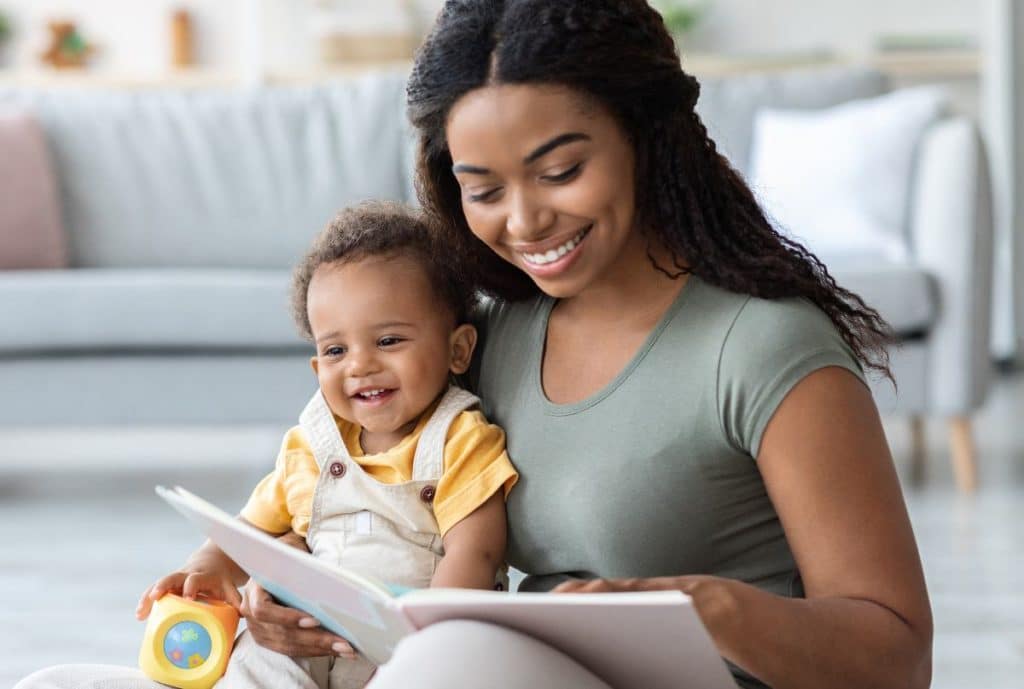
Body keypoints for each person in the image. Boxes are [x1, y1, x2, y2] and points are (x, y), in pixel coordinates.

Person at [16, 2, 932, 688]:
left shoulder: (766, 348)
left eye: (562, 170)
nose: (525, 220)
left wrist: (707, 606)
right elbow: (363, 512)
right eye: (482, 187)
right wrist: (295, 610)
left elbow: (896, 652)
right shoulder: (482, 334)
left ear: (649, 139)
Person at [18, 203, 518, 689]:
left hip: (405, 653)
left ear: (458, 350)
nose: (359, 365)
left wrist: (419, 653)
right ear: (317, 369)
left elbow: (474, 554)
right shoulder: (311, 447)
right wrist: (204, 570)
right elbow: (248, 534)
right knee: (257, 658)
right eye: (336, 350)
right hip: (303, 644)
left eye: (388, 341)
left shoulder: (461, 440)